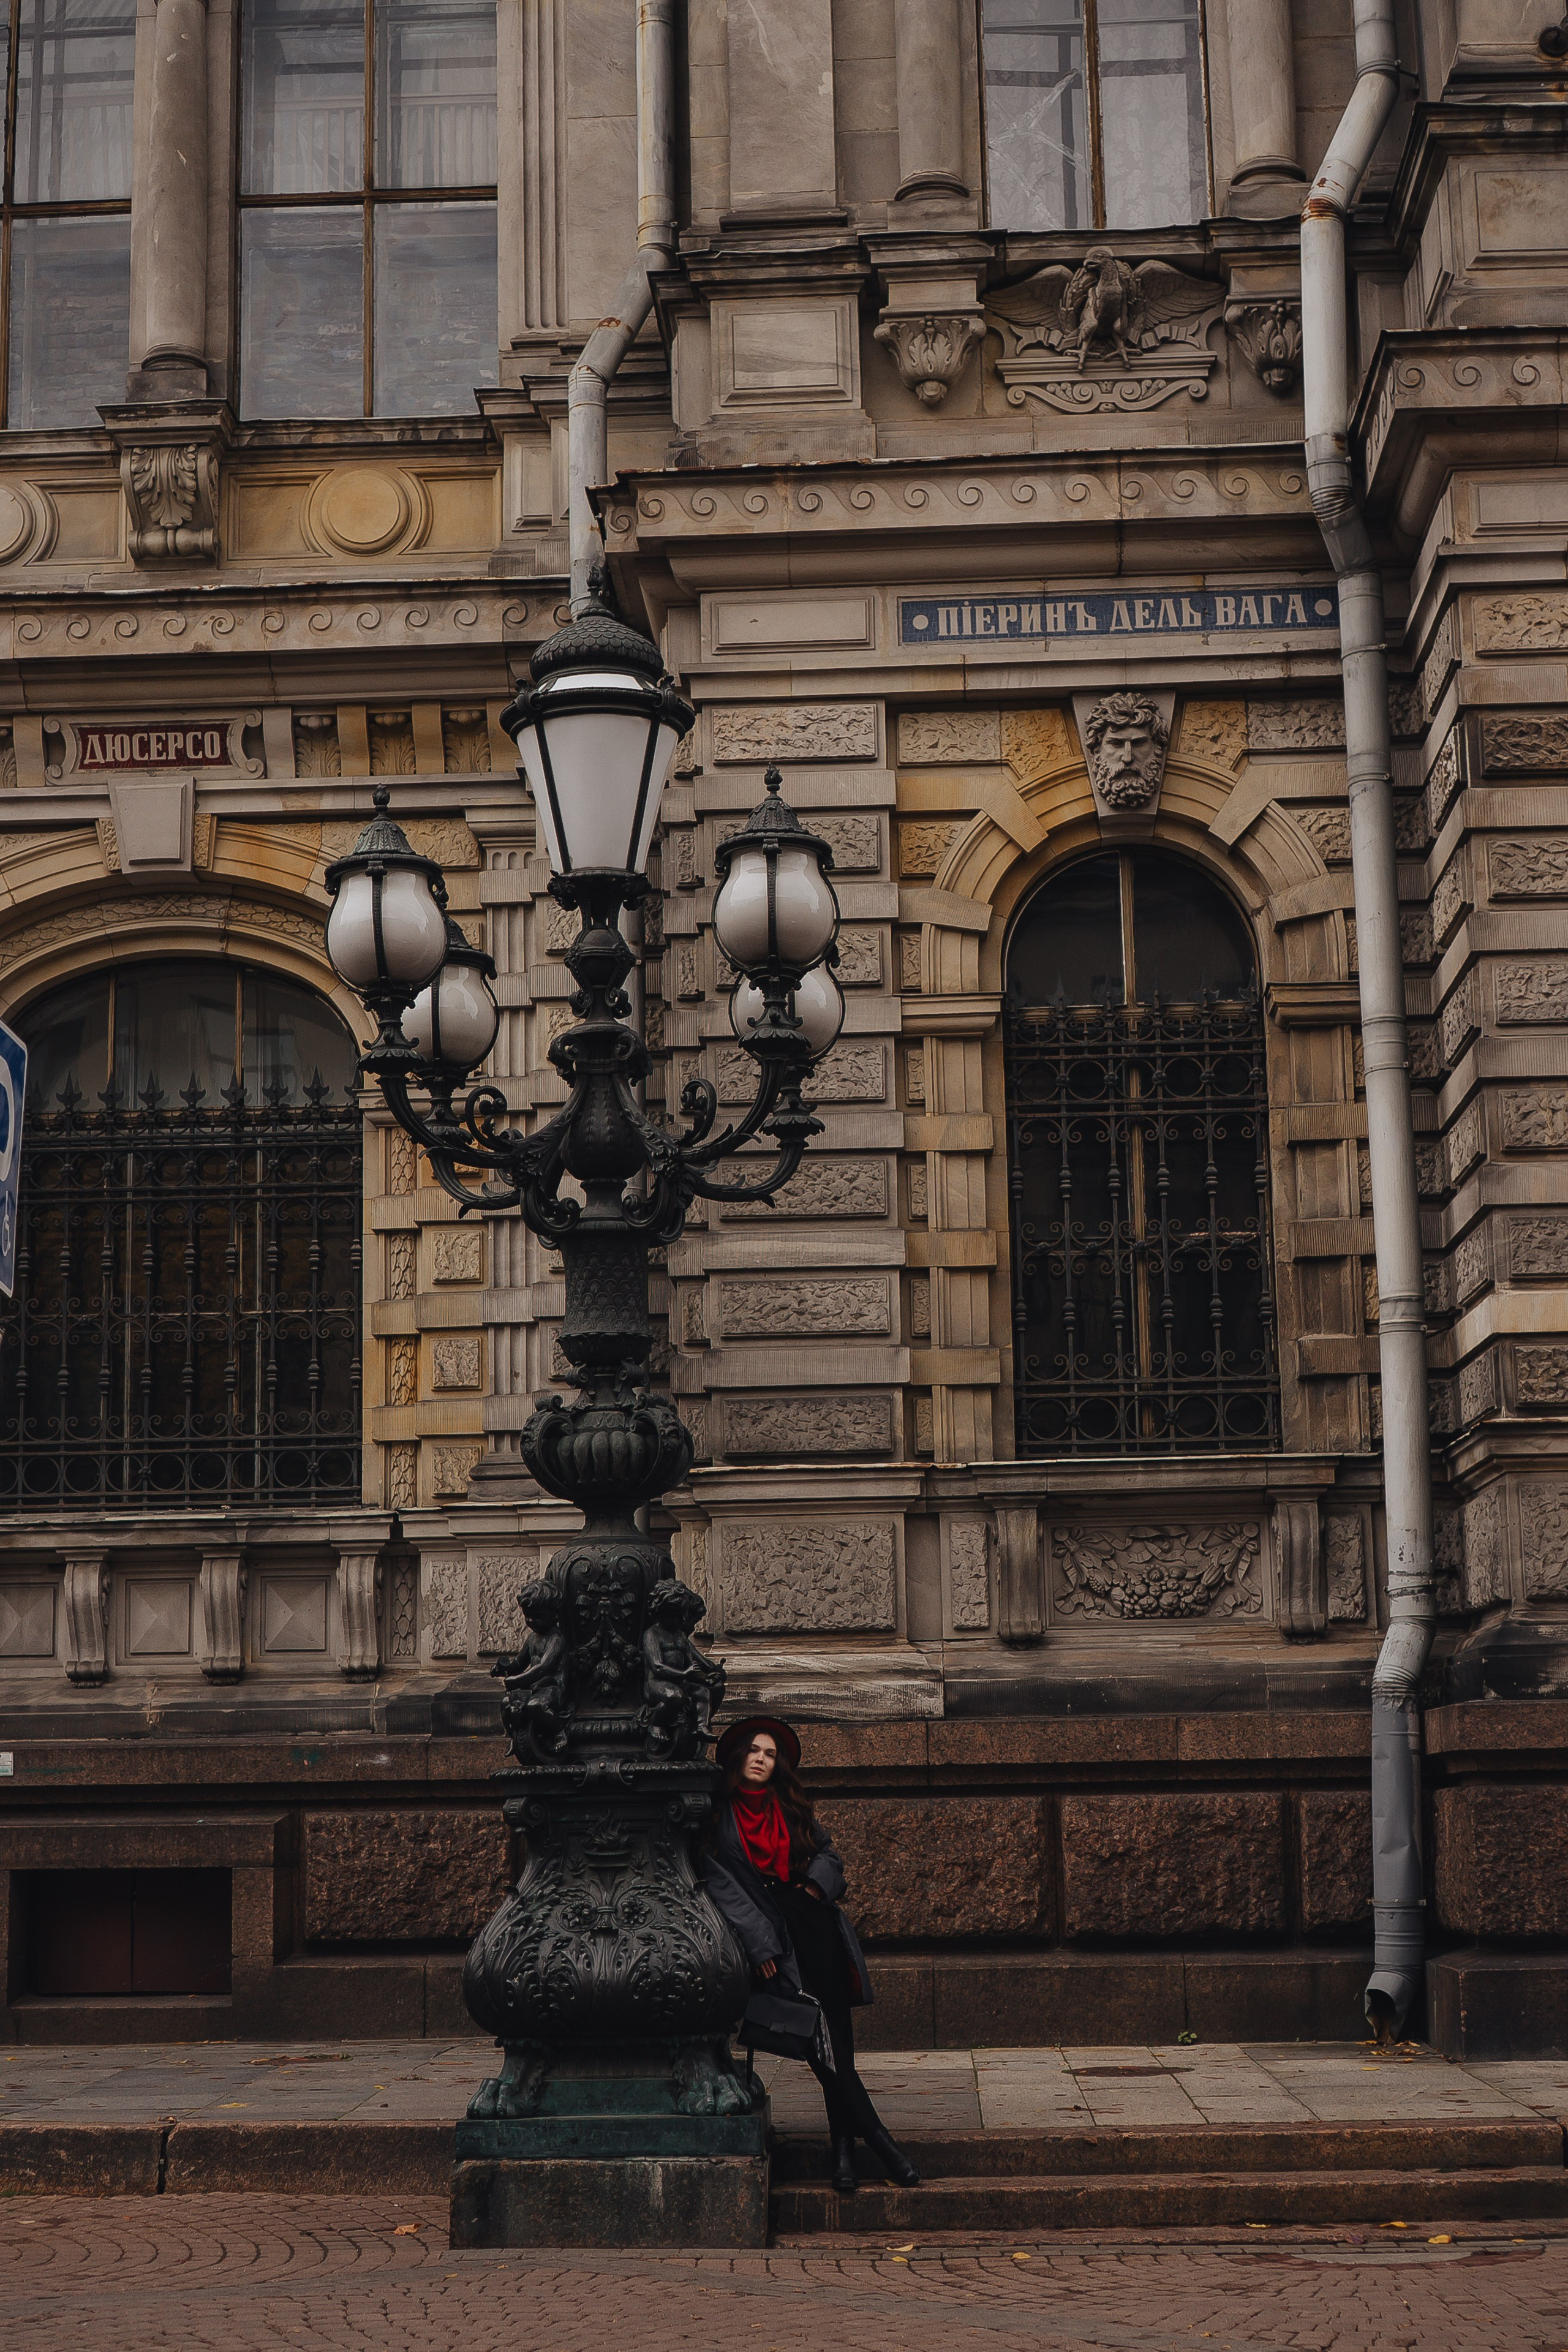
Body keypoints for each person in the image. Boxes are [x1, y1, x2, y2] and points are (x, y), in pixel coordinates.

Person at [700, 1713, 921, 2196]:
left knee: (838, 2040)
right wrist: (761, 1945)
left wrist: (818, 1888)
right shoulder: (718, 1815)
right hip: (776, 1940)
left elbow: (828, 1853)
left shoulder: (788, 1804)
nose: (761, 1759)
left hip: (815, 1926)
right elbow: (723, 1889)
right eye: (755, 1751)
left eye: (770, 1754)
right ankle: (883, 2145)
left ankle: (844, 2154)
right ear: (739, 1758)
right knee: (820, 2039)